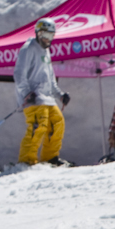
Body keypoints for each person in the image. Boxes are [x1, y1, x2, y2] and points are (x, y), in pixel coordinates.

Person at [14, 18, 71, 167]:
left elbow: (50, 78)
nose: (47, 39)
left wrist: (60, 95)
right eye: (44, 35)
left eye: (51, 35)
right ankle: (27, 159)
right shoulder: (28, 48)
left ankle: (50, 157)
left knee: (58, 123)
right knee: (39, 125)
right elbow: (19, 74)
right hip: (33, 97)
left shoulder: (46, 51)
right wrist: (27, 92)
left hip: (47, 97)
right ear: (38, 33)